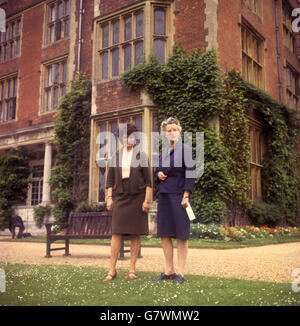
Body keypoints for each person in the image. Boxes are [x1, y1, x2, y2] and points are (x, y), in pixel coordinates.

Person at [104, 123, 152, 281]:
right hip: (120, 197)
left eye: (131, 136)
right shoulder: (115, 156)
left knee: (135, 234)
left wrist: (147, 200)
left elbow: (149, 181)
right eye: (125, 136)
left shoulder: (142, 156)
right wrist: (109, 198)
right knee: (116, 233)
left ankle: (132, 269)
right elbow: (109, 179)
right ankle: (112, 270)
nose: (128, 139)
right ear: (121, 138)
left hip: (137, 198)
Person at [153, 117, 195, 284]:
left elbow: (190, 173)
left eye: (174, 130)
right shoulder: (163, 153)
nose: (171, 133)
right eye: (168, 130)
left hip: (179, 197)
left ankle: (180, 272)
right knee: (164, 234)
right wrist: (158, 174)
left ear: (179, 131)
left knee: (181, 235)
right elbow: (157, 170)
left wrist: (186, 195)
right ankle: (169, 270)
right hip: (163, 195)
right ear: (165, 133)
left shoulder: (185, 149)